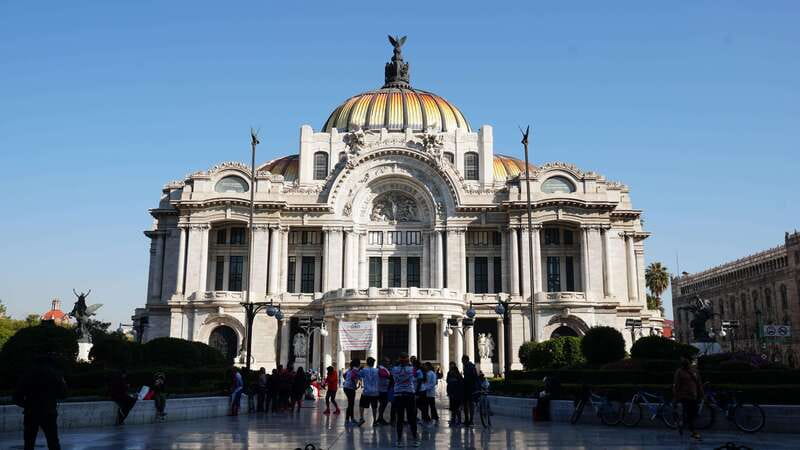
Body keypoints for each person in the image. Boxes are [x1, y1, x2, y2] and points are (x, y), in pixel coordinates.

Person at [13, 355, 67, 450]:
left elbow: (17, 397)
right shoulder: (55, 374)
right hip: (49, 411)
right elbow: (63, 394)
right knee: (53, 441)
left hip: (31, 412)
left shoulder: (27, 374)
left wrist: (27, 405)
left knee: (29, 442)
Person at [392, 352, 420, 447]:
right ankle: (415, 439)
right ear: (407, 360)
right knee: (411, 418)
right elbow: (418, 376)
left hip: (398, 394)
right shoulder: (412, 369)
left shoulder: (394, 369)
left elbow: (393, 377)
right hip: (409, 394)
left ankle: (399, 439)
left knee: (399, 418)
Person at [673, 356, 704, 441]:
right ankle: (693, 432)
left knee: (693, 413)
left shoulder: (695, 371)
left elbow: (699, 383)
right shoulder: (679, 372)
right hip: (684, 396)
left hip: (694, 396)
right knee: (688, 414)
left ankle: (683, 425)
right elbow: (676, 385)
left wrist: (701, 393)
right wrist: (676, 396)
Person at [358, 357, 381, 426]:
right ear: (373, 363)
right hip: (375, 392)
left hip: (366, 392)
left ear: (367, 363)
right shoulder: (377, 370)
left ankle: (362, 418)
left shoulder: (364, 370)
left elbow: (359, 375)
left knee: (361, 405)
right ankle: (374, 421)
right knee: (374, 407)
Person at [342, 359, 361, 425]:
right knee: (350, 404)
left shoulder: (349, 369)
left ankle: (352, 419)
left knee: (351, 404)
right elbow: (353, 377)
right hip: (350, 388)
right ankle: (347, 420)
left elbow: (344, 375)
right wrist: (355, 384)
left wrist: (347, 380)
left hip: (346, 387)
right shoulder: (355, 370)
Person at [461, 355, 478, 427]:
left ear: (466, 360)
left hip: (470, 388)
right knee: (465, 404)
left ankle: (471, 420)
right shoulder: (466, 366)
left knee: (470, 404)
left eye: (463, 360)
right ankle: (467, 419)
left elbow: (474, 377)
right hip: (466, 387)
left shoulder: (471, 366)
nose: (462, 362)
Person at [446, 361, 463, 427]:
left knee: (456, 408)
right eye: (450, 365)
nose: (451, 367)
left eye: (452, 366)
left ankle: (459, 421)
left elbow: (460, 383)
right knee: (452, 408)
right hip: (452, 393)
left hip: (457, 393)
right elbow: (448, 381)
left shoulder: (458, 375)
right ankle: (453, 420)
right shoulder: (449, 373)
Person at [376, 357, 392, 425]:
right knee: (383, 404)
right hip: (382, 390)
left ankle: (380, 417)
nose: (388, 363)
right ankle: (380, 418)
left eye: (388, 361)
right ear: (383, 362)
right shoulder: (381, 368)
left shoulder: (384, 368)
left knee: (383, 404)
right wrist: (390, 377)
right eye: (386, 361)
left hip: (384, 389)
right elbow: (385, 375)